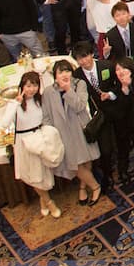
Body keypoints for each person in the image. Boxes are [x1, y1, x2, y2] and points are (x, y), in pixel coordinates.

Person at [42, 59, 104, 205]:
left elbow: (80, 106)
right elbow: (45, 115)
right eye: (60, 72)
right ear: (54, 75)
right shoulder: (48, 92)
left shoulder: (79, 84)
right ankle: (95, 186)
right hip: (62, 134)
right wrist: (51, 134)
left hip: (80, 129)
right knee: (75, 165)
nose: (64, 74)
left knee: (85, 160)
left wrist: (68, 90)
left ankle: (83, 187)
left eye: (67, 71)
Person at [12, 70, 65, 218]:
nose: (31, 89)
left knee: (43, 174)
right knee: (34, 176)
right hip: (25, 142)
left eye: (34, 85)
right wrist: (14, 105)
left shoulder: (39, 101)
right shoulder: (16, 104)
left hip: (40, 140)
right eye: (28, 86)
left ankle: (43, 200)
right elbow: (5, 123)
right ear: (22, 86)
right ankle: (49, 202)